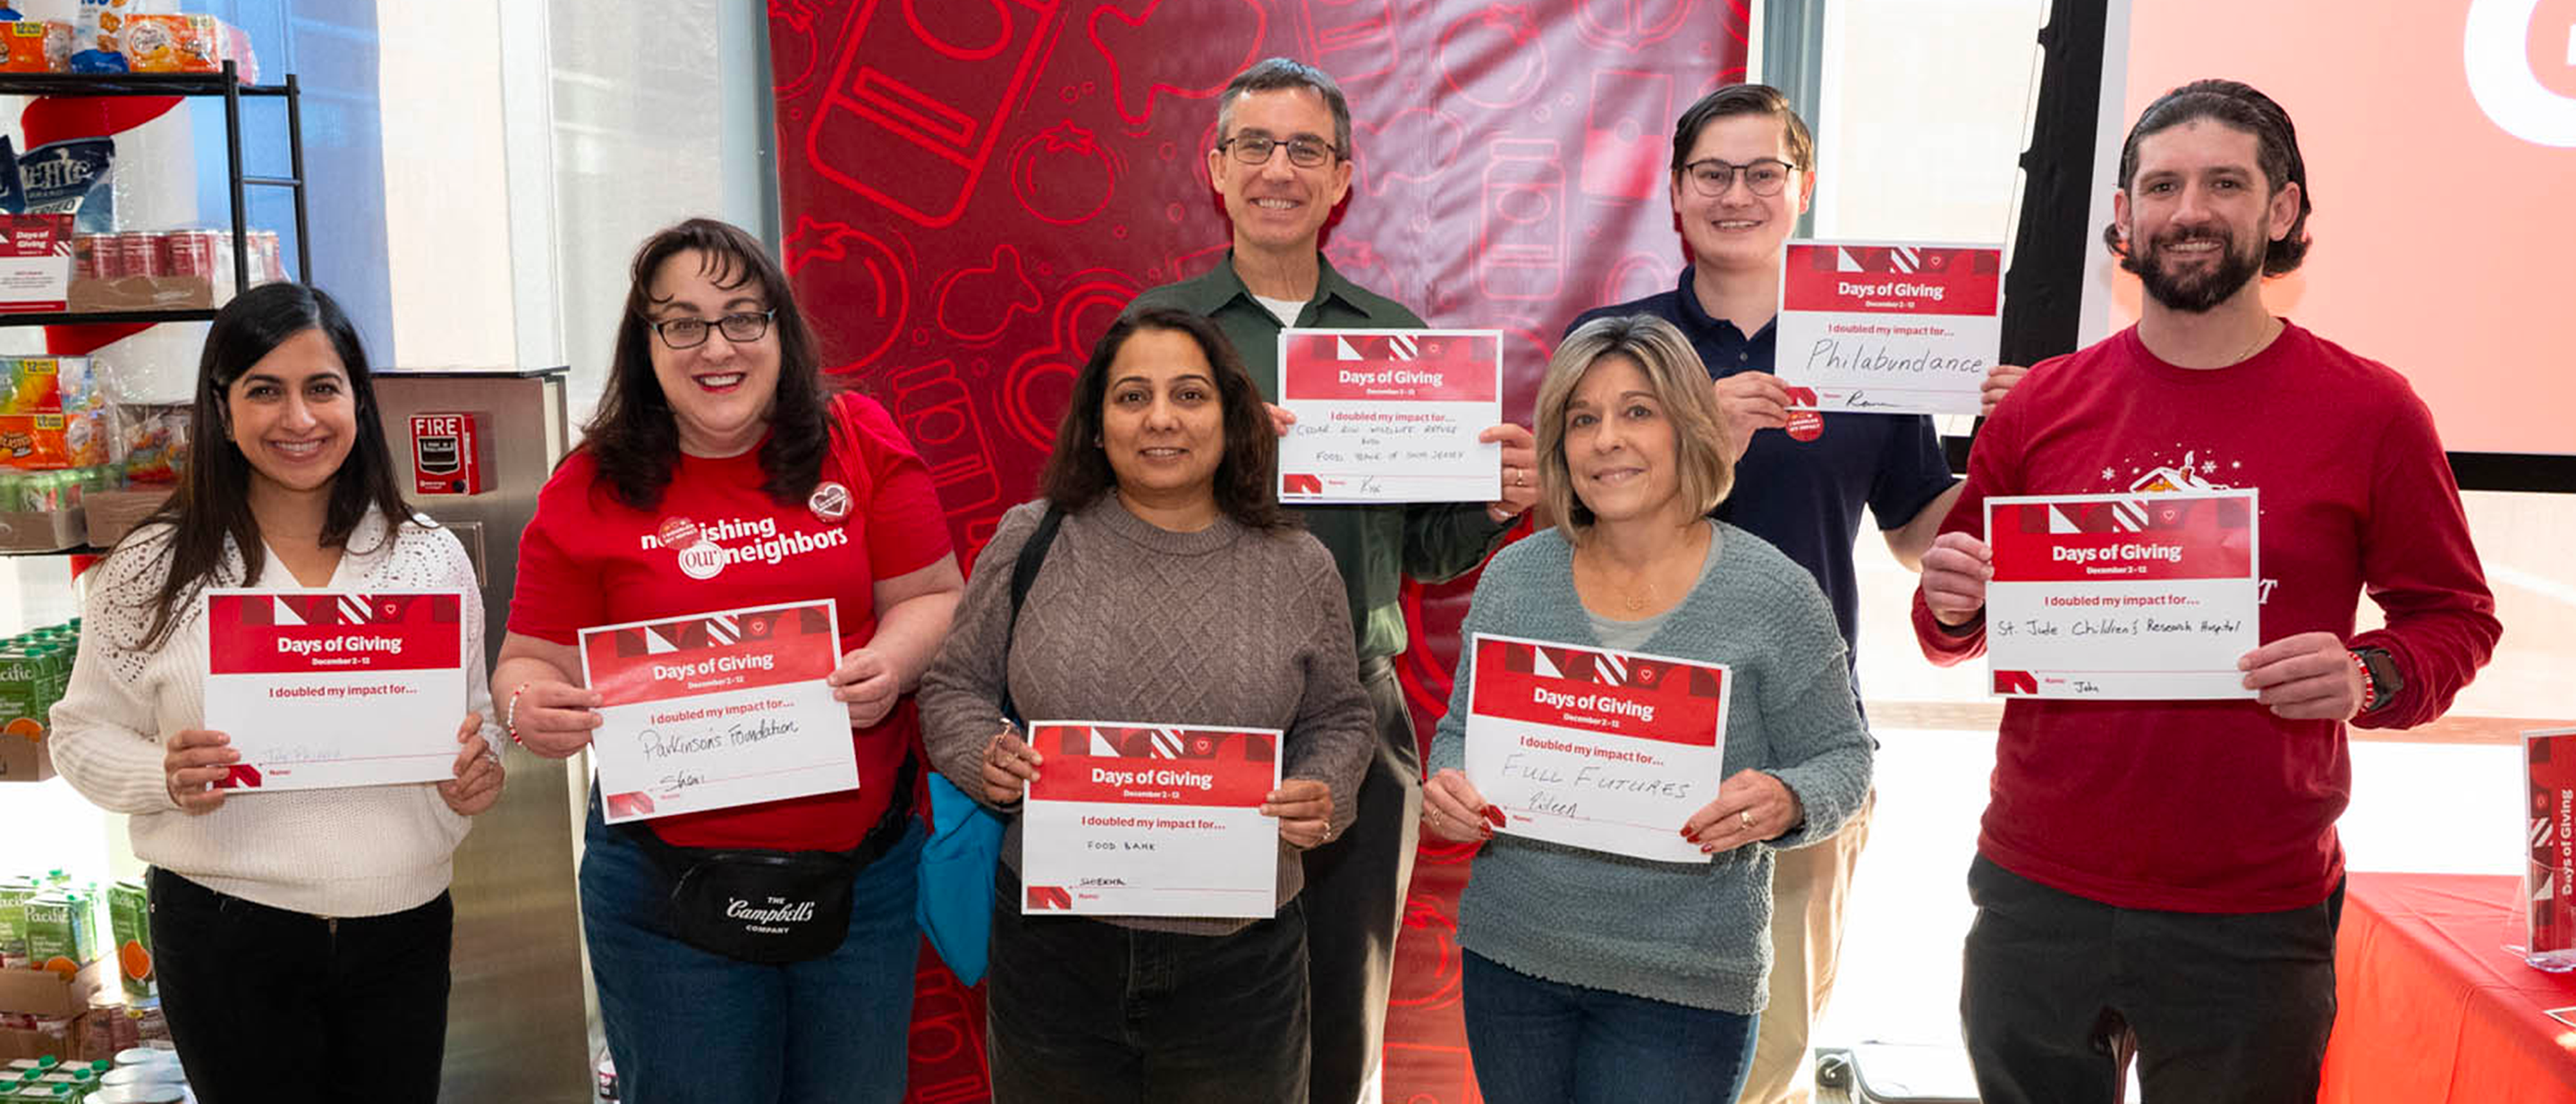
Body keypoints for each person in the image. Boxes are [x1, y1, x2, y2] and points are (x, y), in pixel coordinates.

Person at [1911, 80, 2501, 1104]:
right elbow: (1947, 624)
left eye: (2225, 183)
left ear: (2282, 210)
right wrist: (1952, 602)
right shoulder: (2042, 404)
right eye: (2162, 186)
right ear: (2123, 217)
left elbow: (2458, 618)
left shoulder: (2372, 410)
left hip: (2252, 909)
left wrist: (2368, 673)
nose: (2189, 210)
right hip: (2037, 892)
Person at [1562, 83, 2015, 1104]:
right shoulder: (1614, 343)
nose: (1737, 195)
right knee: (1620, 1035)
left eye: (1763, 172)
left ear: (1801, 188)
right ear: (1675, 193)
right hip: (1624, 728)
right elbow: (1564, 529)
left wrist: (2024, 446)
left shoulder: (1865, 342)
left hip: (1802, 744)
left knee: (1768, 1050)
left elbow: (1918, 532)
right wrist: (1697, 440)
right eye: (1712, 174)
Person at [1123, 57, 1539, 1103]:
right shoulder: (1159, 331)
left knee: (1344, 1005)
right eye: (1255, 146)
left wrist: (1494, 504)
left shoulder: (1399, 340)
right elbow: (1095, 517)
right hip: (1189, 703)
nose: (1279, 168)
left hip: (1356, 701)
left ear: (1342, 177)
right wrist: (1209, 458)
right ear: (1216, 168)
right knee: (1195, 1008)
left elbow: (1426, 549)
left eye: (1306, 148)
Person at [494, 218, 963, 1104]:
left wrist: (890, 663)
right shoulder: (589, 483)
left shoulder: (858, 438)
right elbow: (527, 663)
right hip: (665, 896)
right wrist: (531, 709)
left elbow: (936, 596)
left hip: (861, 884)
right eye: (683, 323)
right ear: (646, 344)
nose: (717, 347)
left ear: (781, 329)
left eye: (743, 317)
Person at [48, 282, 504, 1104]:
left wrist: (479, 769)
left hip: (402, 926)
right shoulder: (153, 567)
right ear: (222, 411)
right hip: (226, 933)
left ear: (357, 402)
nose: (299, 418)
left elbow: (477, 722)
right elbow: (80, 734)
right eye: (265, 390)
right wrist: (162, 774)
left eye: (322, 387)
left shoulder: (429, 557)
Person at [919, 308, 1377, 1103]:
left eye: (1189, 395)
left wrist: (1323, 788)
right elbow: (953, 686)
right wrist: (980, 754)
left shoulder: (1298, 564)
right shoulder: (1032, 539)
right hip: (1054, 954)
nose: (1161, 418)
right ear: (1097, 425)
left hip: (1241, 964)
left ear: (1231, 418)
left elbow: (1340, 716)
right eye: (1132, 396)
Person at [1418, 313, 1872, 1104]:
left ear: (1689, 427)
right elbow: (1462, 733)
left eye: (1638, 411)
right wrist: (1450, 784)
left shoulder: (1775, 592)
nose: (1607, 440)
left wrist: (1791, 799)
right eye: (1582, 419)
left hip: (1687, 983)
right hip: (1513, 961)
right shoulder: (1514, 580)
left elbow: (1844, 757)